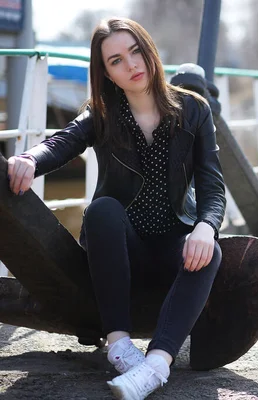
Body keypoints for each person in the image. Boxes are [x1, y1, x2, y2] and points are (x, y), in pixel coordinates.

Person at [6, 17, 226, 400]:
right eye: (116, 61)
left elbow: (212, 183)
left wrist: (206, 226)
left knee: (210, 252)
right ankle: (121, 348)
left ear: (148, 49)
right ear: (106, 73)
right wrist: (29, 159)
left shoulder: (193, 110)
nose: (132, 65)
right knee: (103, 209)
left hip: (173, 242)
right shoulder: (103, 114)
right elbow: (64, 142)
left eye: (135, 52)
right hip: (122, 248)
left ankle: (156, 366)